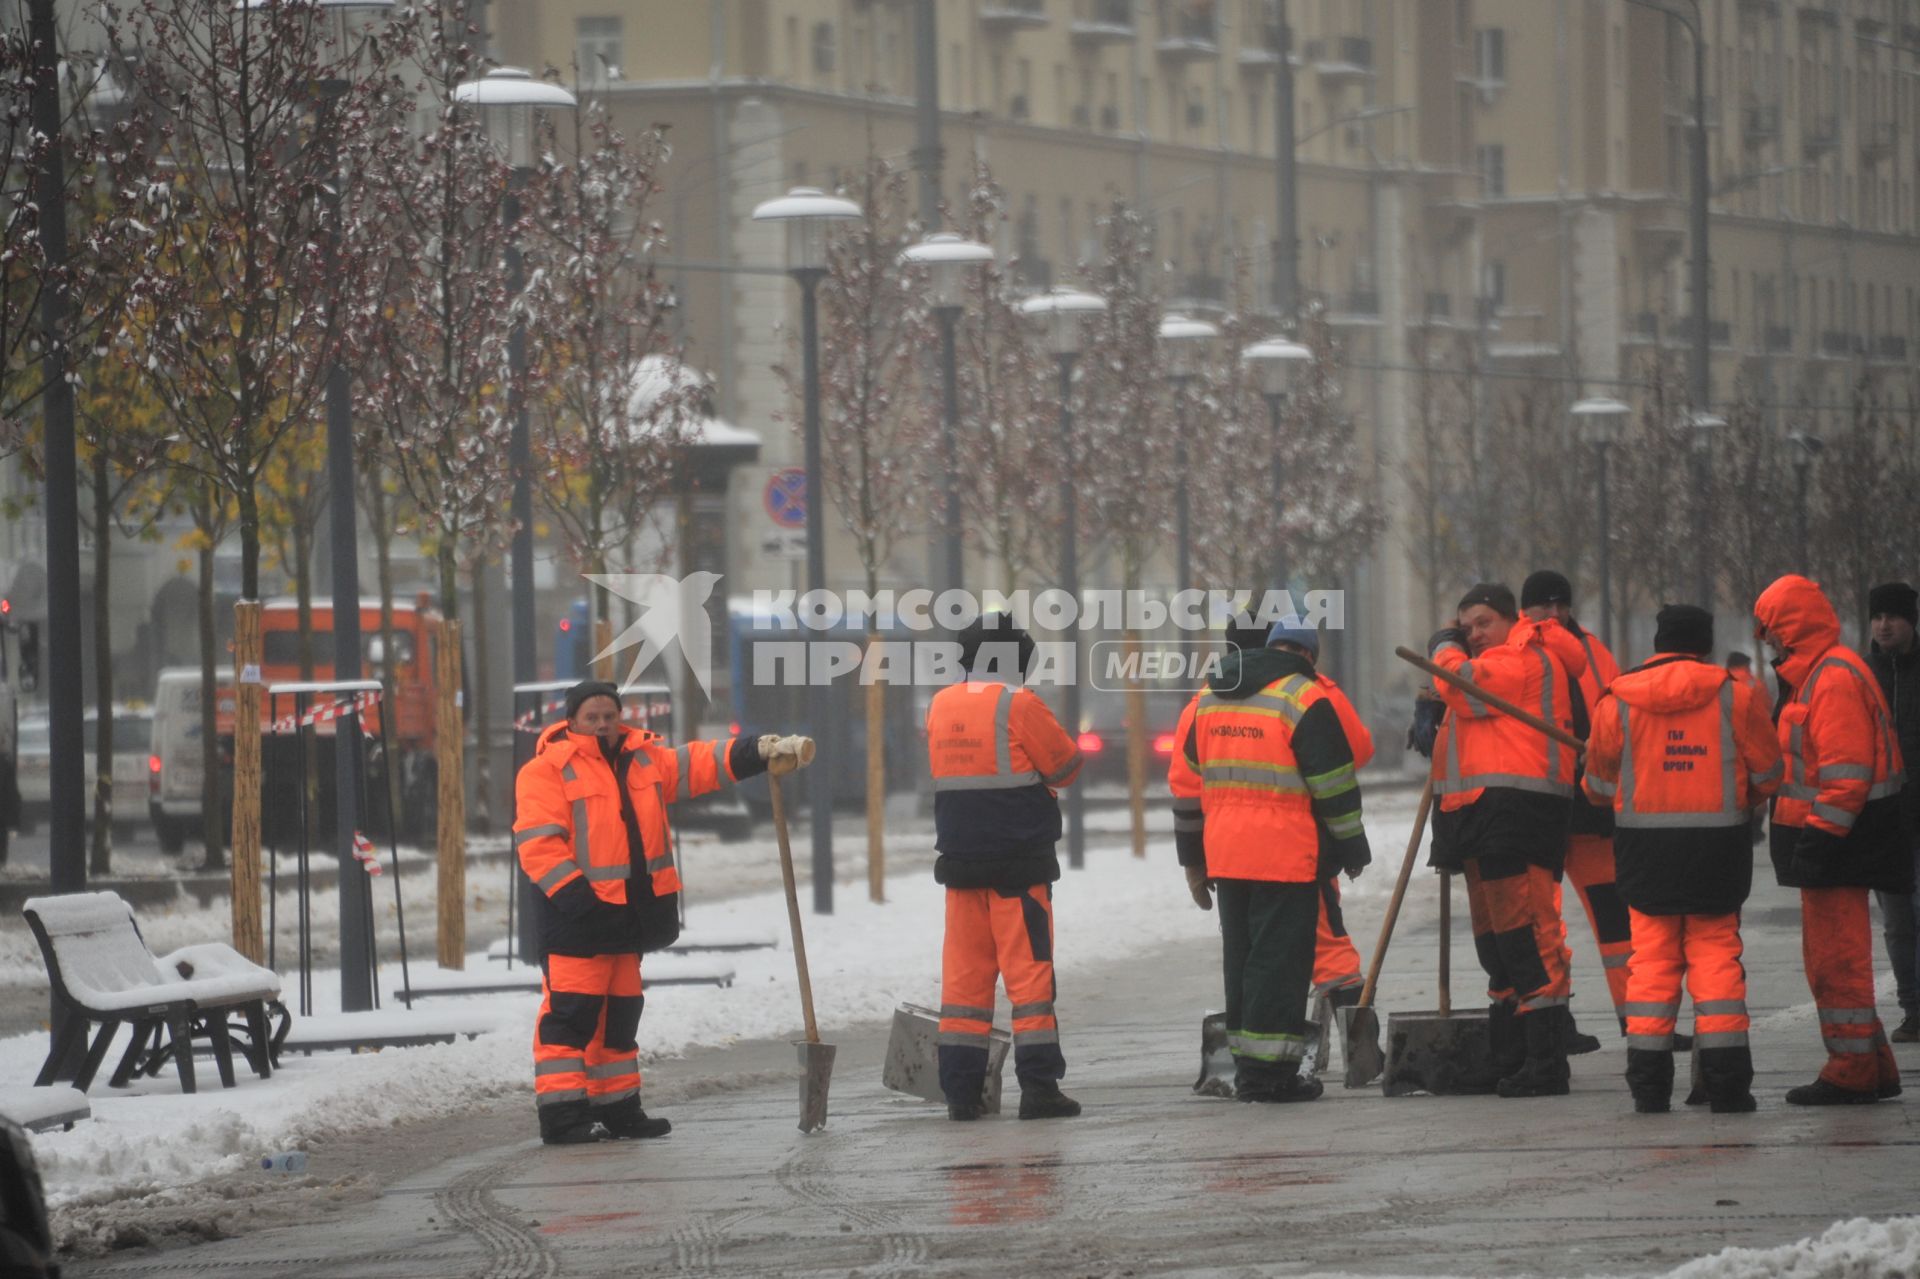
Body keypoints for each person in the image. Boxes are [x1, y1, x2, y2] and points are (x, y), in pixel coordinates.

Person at [514, 679, 811, 1144]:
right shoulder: (546, 771)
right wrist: (579, 902)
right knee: (571, 1017)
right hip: (576, 918)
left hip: (628, 917)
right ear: (570, 721)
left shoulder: (645, 759)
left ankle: (618, 1107)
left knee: (619, 1017)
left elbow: (700, 764)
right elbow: (539, 846)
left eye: (609, 716)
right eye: (592, 717)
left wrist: (757, 750)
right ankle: (562, 1115)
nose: (602, 725)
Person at [1583, 606, 1783, 1113]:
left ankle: (1649, 1088)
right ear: (1706, 644)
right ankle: (1727, 1086)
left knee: (1650, 964)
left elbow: (1600, 788)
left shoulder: (1618, 701)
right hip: (1716, 853)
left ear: (1659, 641)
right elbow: (1769, 776)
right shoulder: (1737, 696)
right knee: (1716, 959)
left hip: (1644, 856)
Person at [1180, 619, 1372, 1103]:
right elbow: (1334, 783)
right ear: (1310, 657)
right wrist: (1352, 847)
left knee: (1242, 962)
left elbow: (1191, 777)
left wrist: (1194, 856)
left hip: (1227, 852)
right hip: (1285, 853)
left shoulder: (1209, 697)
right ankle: (1271, 1077)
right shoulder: (1304, 697)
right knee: (1279, 965)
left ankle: (1249, 1068)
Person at [1753, 575, 1911, 1104]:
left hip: (1838, 846)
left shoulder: (1832, 679)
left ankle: (1851, 1071)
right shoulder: (1820, 674)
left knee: (1835, 962)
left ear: (1791, 628)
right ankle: (1873, 1064)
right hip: (1838, 843)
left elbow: (1846, 777)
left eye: (1772, 630)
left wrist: (1816, 844)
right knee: (1835, 959)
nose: (1768, 642)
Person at [1428, 583, 1588, 1098]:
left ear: (1509, 620)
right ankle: (1508, 1055)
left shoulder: (1524, 656)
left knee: (1527, 936)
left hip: (1517, 814)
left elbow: (1466, 687)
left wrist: (1443, 650)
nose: (1473, 635)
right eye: (1466, 626)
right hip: (1480, 814)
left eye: (1482, 623)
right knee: (1495, 942)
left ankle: (1545, 1061)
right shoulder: (1500, 658)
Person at [928, 614, 1085, 1121]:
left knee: (964, 988)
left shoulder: (940, 705)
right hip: (1018, 869)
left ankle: (961, 1094)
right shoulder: (1019, 704)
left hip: (960, 868)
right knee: (1030, 983)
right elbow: (1066, 766)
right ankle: (1039, 1089)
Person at [1521, 570, 1633, 1053]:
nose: (1551, 615)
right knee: (1543, 922)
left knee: (1615, 918)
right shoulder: (1511, 652)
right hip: (1538, 803)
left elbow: (1617, 709)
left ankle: (1640, 1018)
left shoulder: (1592, 651)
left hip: (1587, 805)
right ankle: (1553, 1022)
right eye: (1541, 607)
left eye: (1558, 605)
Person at [1865, 582, 1920, 1043]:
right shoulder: (1862, 674)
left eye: (1894, 616)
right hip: (1883, 820)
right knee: (1898, 925)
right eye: (1877, 616)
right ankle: (1913, 1010)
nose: (1884, 624)